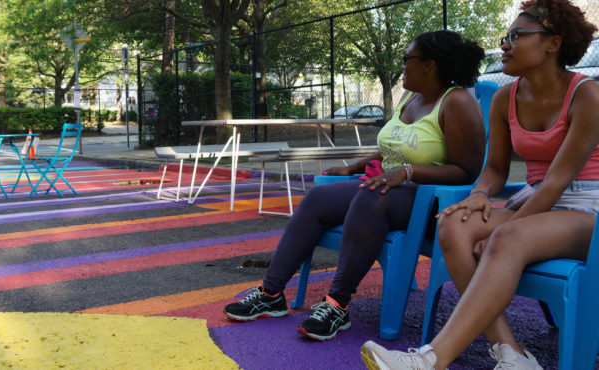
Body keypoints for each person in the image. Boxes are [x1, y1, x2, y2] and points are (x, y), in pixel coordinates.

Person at [360, 0, 599, 369]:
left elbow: (557, 182)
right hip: (538, 201)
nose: (505, 45)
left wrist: (509, 224)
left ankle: (430, 360)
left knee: (505, 237)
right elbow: (495, 171)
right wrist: (477, 196)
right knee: (454, 224)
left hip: (587, 207)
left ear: (553, 43)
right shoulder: (505, 98)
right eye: (506, 36)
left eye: (517, 36)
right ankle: (513, 354)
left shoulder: (587, 95)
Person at [224, 30, 486, 341]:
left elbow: (467, 172)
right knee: (318, 197)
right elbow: (392, 147)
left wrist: (407, 171)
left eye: (407, 60)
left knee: (370, 197)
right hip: (388, 188)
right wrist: (353, 167)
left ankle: (337, 305)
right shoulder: (412, 98)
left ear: (430, 65)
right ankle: (271, 293)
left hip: (430, 202)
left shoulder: (457, 102)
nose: (402, 67)